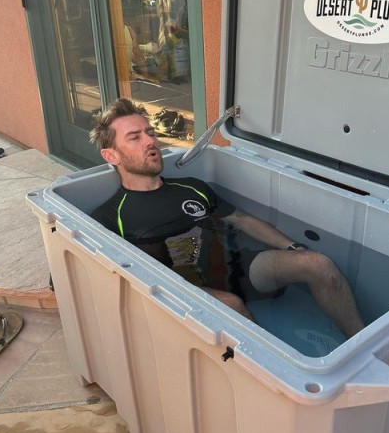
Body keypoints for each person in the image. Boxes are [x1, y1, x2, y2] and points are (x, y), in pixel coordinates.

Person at [89, 98, 364, 339]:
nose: (150, 141)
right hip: (183, 290)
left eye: (149, 132)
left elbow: (242, 219)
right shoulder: (112, 215)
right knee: (231, 305)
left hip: (236, 268)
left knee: (318, 264)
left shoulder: (191, 187)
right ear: (111, 155)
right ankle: (278, 373)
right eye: (135, 137)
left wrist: (292, 247)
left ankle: (363, 346)